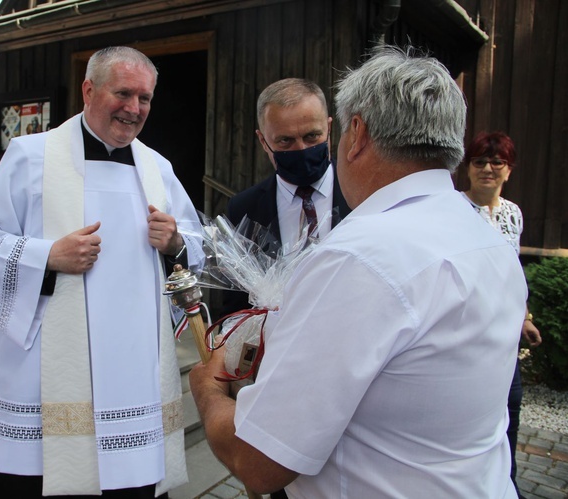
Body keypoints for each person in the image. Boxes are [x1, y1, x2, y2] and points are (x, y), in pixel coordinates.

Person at [190, 46, 526, 498]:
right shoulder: (486, 237)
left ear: (355, 133)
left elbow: (260, 462)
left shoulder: (358, 257)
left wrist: (208, 392)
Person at [0, 46, 203, 498]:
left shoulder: (156, 168)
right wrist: (47, 255)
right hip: (47, 377)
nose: (134, 108)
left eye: (145, 98)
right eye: (123, 93)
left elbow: (196, 244)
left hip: (133, 374)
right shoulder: (31, 157)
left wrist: (176, 242)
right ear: (89, 90)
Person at [222, 78, 350, 315]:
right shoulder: (244, 209)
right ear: (263, 140)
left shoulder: (364, 194)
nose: (301, 149)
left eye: (312, 136)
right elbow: (235, 306)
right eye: (285, 141)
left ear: (329, 128)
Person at [461, 130, 542, 497]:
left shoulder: (512, 213)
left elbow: (513, 273)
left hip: (505, 335)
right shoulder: (455, 208)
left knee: (510, 407)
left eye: (497, 162)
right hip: (469, 334)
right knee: (473, 415)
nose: (488, 169)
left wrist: (525, 318)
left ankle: (506, 483)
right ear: (468, 168)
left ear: (509, 170)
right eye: (479, 162)